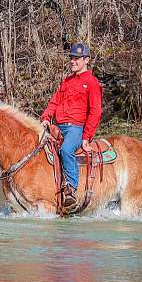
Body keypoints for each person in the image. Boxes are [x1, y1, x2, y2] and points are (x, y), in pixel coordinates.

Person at [40, 43, 102, 209]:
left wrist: (86, 137)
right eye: (72, 58)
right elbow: (54, 102)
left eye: (77, 58)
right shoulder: (66, 81)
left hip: (75, 128)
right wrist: (46, 117)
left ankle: (71, 189)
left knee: (66, 149)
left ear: (86, 60)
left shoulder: (92, 82)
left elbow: (95, 111)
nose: (73, 61)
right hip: (58, 126)